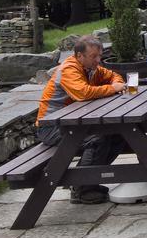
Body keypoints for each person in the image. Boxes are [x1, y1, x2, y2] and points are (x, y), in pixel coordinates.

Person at [35, 35, 125, 204]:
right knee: (97, 140)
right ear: (79, 56)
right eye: (94, 57)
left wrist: (116, 84)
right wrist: (113, 88)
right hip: (51, 126)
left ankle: (87, 180)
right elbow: (83, 93)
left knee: (118, 134)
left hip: (72, 123)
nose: (98, 60)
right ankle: (82, 189)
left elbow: (114, 76)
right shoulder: (69, 69)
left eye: (100, 56)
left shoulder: (90, 68)